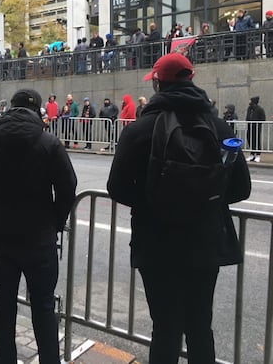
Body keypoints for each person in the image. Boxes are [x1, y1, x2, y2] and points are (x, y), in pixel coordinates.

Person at [107, 53, 251, 364]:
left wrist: (154, 201)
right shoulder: (218, 126)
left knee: (166, 329)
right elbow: (242, 188)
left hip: (156, 244)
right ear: (191, 80)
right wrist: (204, 197)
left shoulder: (140, 129)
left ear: (158, 84)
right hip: (205, 242)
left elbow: (116, 187)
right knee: (200, 326)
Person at [0, 88, 77, 364]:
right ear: (38, 110)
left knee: (4, 300)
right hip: (40, 235)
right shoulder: (49, 144)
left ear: (10, 108)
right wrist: (56, 220)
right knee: (43, 304)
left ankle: (5, 358)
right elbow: (68, 187)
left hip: (3, 235)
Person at [246, 96, 266, 162]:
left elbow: (263, 118)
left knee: (256, 140)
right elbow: (247, 116)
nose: (249, 102)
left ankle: (258, 155)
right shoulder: (249, 108)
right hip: (249, 126)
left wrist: (257, 123)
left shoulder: (260, 109)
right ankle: (252, 154)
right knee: (250, 139)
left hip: (256, 127)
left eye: (250, 101)